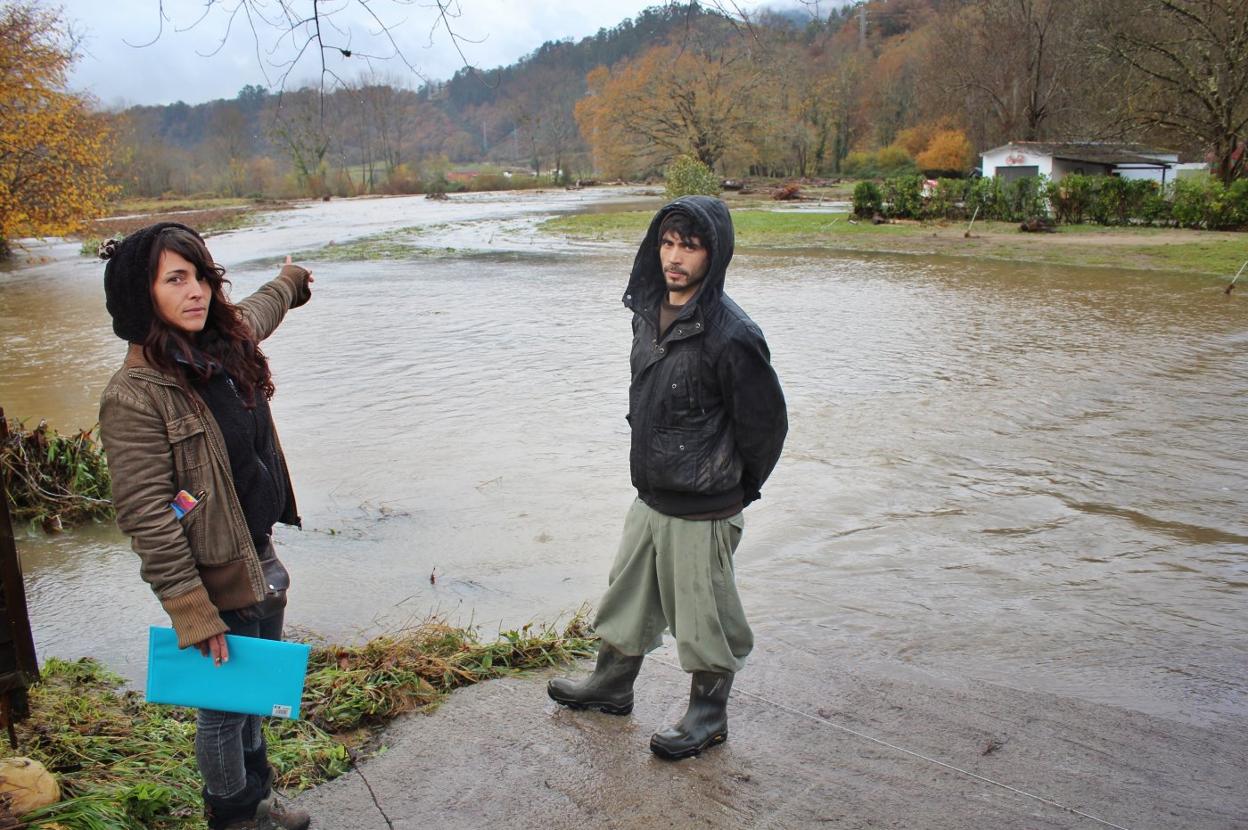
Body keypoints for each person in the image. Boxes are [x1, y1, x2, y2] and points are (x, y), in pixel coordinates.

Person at [548, 196, 787, 759]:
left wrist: (733, 492)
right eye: (668, 243)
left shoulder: (733, 335)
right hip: (651, 496)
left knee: (705, 617)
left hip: (704, 507)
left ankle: (708, 714)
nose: (675, 258)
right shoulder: (647, 314)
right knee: (626, 596)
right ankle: (611, 686)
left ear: (715, 253)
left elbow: (766, 427)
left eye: (691, 246)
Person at [97, 223, 314, 829]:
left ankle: (259, 802)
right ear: (143, 297)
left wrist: (291, 282)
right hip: (217, 574)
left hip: (261, 555)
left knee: (251, 697)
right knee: (222, 710)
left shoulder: (220, 343)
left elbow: (259, 311)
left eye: (201, 276)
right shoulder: (135, 395)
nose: (197, 292)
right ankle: (235, 818)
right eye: (176, 280)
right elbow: (146, 516)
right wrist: (191, 608)